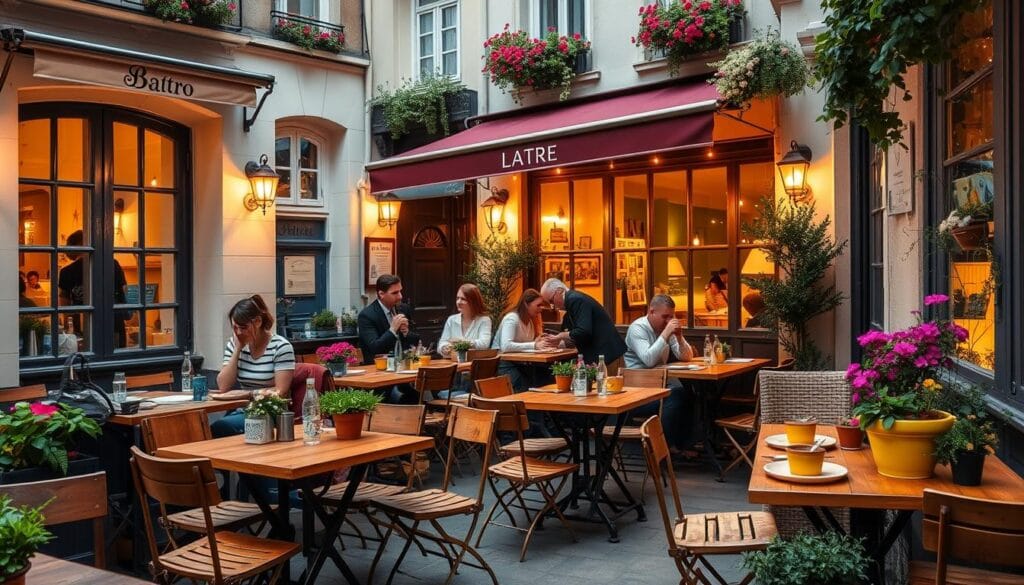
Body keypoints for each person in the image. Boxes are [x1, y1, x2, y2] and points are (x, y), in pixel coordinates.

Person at [623, 294, 699, 458]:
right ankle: (661, 449)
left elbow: (686, 357)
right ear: (651, 312)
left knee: (689, 394)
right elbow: (648, 360)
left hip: (659, 386)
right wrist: (665, 333)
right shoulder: (638, 328)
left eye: (671, 316)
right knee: (675, 396)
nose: (668, 320)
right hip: (638, 392)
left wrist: (678, 337)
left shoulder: (665, 329)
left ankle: (681, 445)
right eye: (665, 316)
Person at [212, 294, 295, 438]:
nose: (238, 332)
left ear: (257, 321)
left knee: (220, 427)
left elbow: (280, 391)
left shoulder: (281, 346)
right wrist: (238, 349)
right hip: (242, 409)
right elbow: (223, 386)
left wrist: (248, 394)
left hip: (270, 411)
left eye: (243, 327)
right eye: (235, 328)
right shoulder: (235, 344)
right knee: (205, 428)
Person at [58, 230, 129, 346]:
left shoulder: (66, 272)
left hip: (83, 326)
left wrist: (68, 328)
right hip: (113, 322)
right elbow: (124, 290)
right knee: (116, 358)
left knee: (85, 359)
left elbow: (64, 305)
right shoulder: (112, 264)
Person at [358, 274, 421, 403]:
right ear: (381, 294)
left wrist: (406, 332)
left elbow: (415, 341)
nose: (400, 296)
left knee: (418, 396)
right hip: (379, 377)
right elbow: (374, 347)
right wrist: (392, 330)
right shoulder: (367, 316)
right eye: (395, 293)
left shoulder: (403, 309)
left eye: (400, 291)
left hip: (403, 373)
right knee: (402, 398)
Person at [540, 277, 626, 371]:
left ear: (560, 291)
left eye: (551, 301)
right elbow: (573, 336)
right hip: (601, 356)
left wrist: (561, 336)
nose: (552, 306)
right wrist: (556, 342)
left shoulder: (576, 300)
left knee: (606, 385)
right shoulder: (570, 305)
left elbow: (583, 331)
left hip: (607, 356)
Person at [493, 288, 554, 391]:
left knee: (546, 376)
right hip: (504, 364)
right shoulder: (512, 319)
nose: (541, 308)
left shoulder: (529, 322)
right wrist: (534, 345)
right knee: (525, 385)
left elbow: (523, 345)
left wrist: (537, 341)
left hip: (521, 363)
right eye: (538, 305)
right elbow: (506, 346)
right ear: (526, 304)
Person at [438, 284, 492, 357]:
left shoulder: (484, 320)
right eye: (457, 298)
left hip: (475, 364)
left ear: (473, 301)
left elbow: (484, 344)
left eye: (463, 299)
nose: (458, 302)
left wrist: (460, 343)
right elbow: (443, 342)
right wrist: (444, 348)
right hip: (453, 363)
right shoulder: (451, 319)